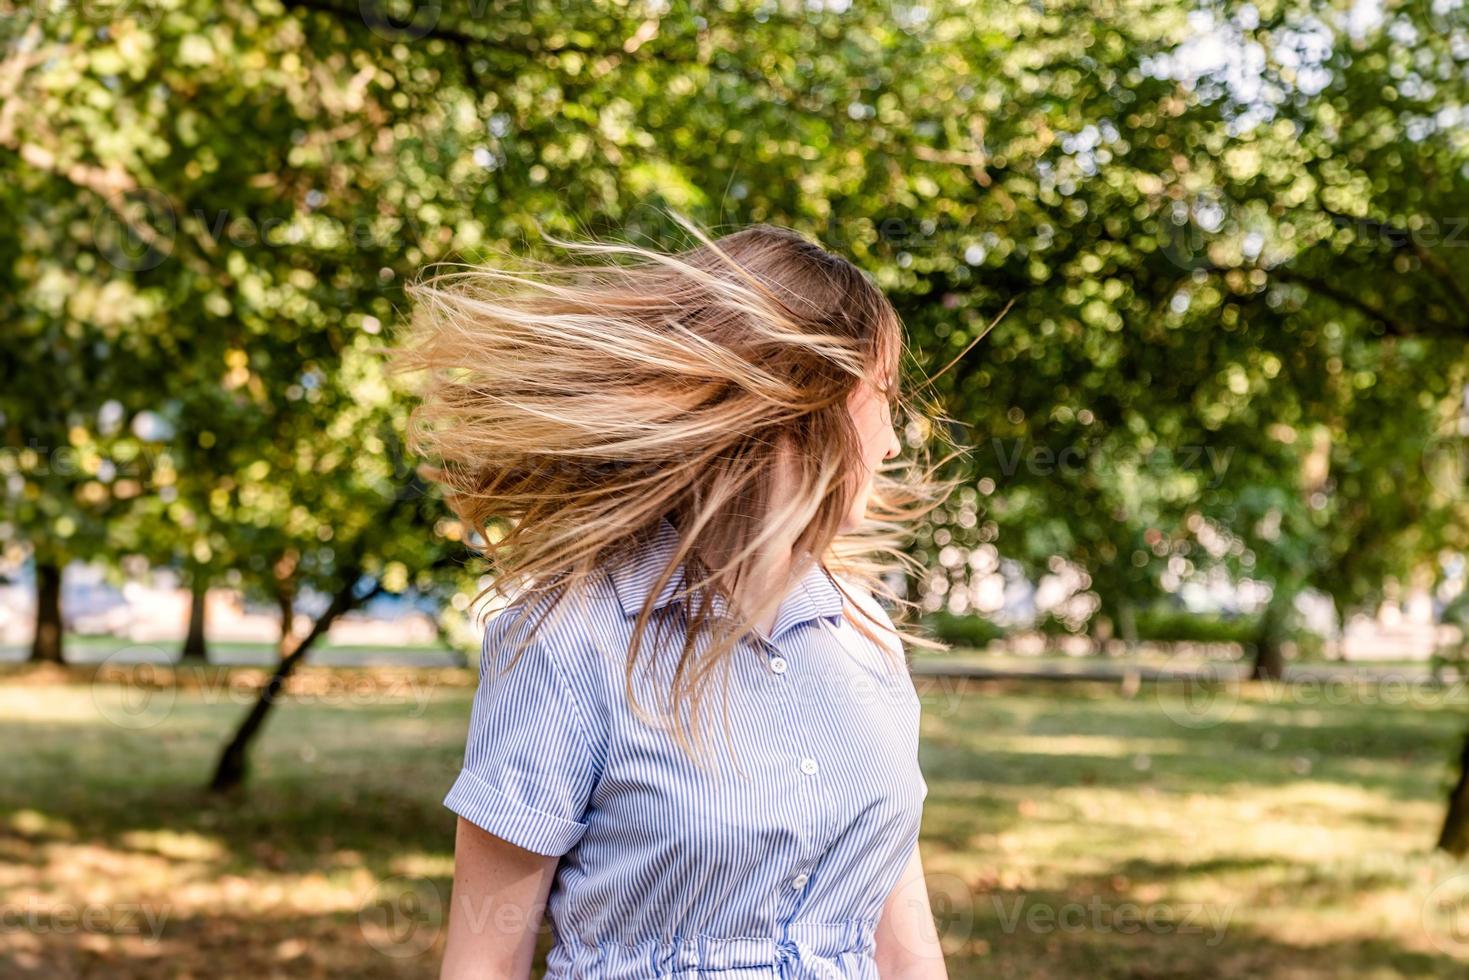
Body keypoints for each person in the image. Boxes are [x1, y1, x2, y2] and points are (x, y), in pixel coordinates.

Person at [395, 215, 956, 979]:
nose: (893, 441)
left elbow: (903, 943)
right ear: (798, 409)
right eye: (883, 397)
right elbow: (483, 963)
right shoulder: (566, 641)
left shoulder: (864, 635)